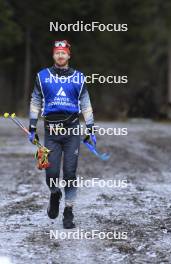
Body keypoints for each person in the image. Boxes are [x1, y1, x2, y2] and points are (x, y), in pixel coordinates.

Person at [29, 40, 95, 229]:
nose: (60, 56)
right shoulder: (42, 77)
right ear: (53, 55)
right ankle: (55, 193)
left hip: (72, 131)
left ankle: (69, 211)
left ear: (69, 56)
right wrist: (32, 127)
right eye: (57, 52)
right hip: (51, 131)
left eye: (63, 53)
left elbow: (86, 103)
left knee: (70, 172)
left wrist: (90, 128)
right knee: (50, 172)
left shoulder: (79, 78)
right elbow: (35, 100)